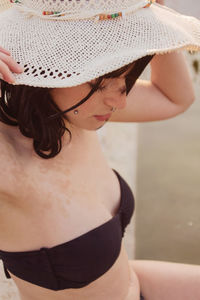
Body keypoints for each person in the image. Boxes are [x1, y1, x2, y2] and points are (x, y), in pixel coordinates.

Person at [0, 0, 200, 299]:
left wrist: (150, 22)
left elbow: (173, 99)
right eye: (101, 79)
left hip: (136, 285)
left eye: (127, 76)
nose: (119, 100)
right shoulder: (9, 162)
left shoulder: (70, 111)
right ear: (52, 65)